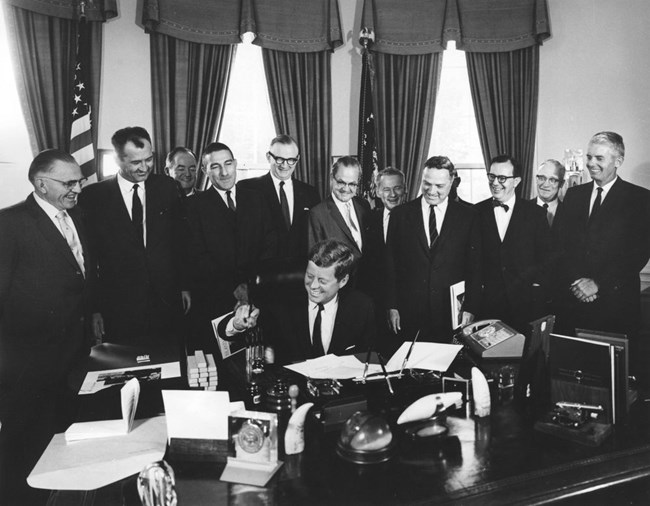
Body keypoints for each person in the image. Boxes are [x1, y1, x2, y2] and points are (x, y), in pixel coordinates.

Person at [0, 150, 95, 503]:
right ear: (41, 183)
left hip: (71, 357)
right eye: (69, 182)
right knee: (23, 456)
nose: (78, 189)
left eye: (79, 181)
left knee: (60, 449)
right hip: (26, 367)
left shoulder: (77, 217)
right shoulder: (9, 224)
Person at [79, 126, 190, 346]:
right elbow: (90, 259)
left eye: (148, 159)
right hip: (119, 306)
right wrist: (95, 309)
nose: (144, 167)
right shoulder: (94, 197)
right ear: (117, 160)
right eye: (135, 162)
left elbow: (181, 243)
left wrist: (185, 286)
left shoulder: (168, 188)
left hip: (166, 301)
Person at [554, 132, 650, 357]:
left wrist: (598, 283)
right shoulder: (573, 195)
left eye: (599, 158)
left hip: (615, 308)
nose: (591, 164)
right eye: (589, 157)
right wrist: (578, 283)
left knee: (614, 382)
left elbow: (638, 254)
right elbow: (562, 246)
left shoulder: (640, 199)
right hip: (574, 305)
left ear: (618, 161)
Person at [217, 240, 376, 365]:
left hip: (340, 398)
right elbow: (224, 329)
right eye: (309, 276)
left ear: (343, 281)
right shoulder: (282, 300)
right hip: (294, 393)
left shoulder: (362, 307)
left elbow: (367, 359)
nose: (313, 286)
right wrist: (237, 324)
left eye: (322, 280)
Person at [186, 142, 273, 352]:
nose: (224, 172)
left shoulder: (256, 198)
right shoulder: (193, 207)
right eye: (215, 166)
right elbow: (198, 257)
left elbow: (269, 244)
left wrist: (252, 288)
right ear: (205, 171)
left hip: (258, 297)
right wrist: (235, 291)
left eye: (228, 163)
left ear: (235, 164)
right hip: (216, 301)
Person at [385, 156, 481, 344]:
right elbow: (390, 265)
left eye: (439, 186)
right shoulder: (400, 215)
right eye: (427, 184)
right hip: (409, 313)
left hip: (450, 314)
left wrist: (470, 307)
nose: (432, 191)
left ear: (451, 182)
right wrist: (391, 306)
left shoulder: (468, 216)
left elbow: (475, 267)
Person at [474, 154, 553, 332]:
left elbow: (546, 259)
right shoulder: (475, 212)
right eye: (492, 177)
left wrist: (534, 290)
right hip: (487, 307)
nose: (495, 183)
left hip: (525, 307)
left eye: (502, 178)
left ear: (516, 181)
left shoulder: (536, 214)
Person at [237, 134, 320, 262]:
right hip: (261, 271)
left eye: (291, 160)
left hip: (299, 272)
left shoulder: (310, 193)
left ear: (298, 159)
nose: (285, 165)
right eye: (279, 159)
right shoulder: (247, 188)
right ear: (268, 157)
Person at [308, 156, 370, 260]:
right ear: (332, 178)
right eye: (341, 182)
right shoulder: (317, 214)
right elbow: (316, 258)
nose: (346, 189)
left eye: (352, 184)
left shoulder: (364, 205)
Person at [533, 159, 565, 228]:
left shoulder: (569, 213)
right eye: (542, 178)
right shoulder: (521, 211)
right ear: (536, 179)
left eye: (552, 180)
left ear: (561, 183)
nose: (546, 184)